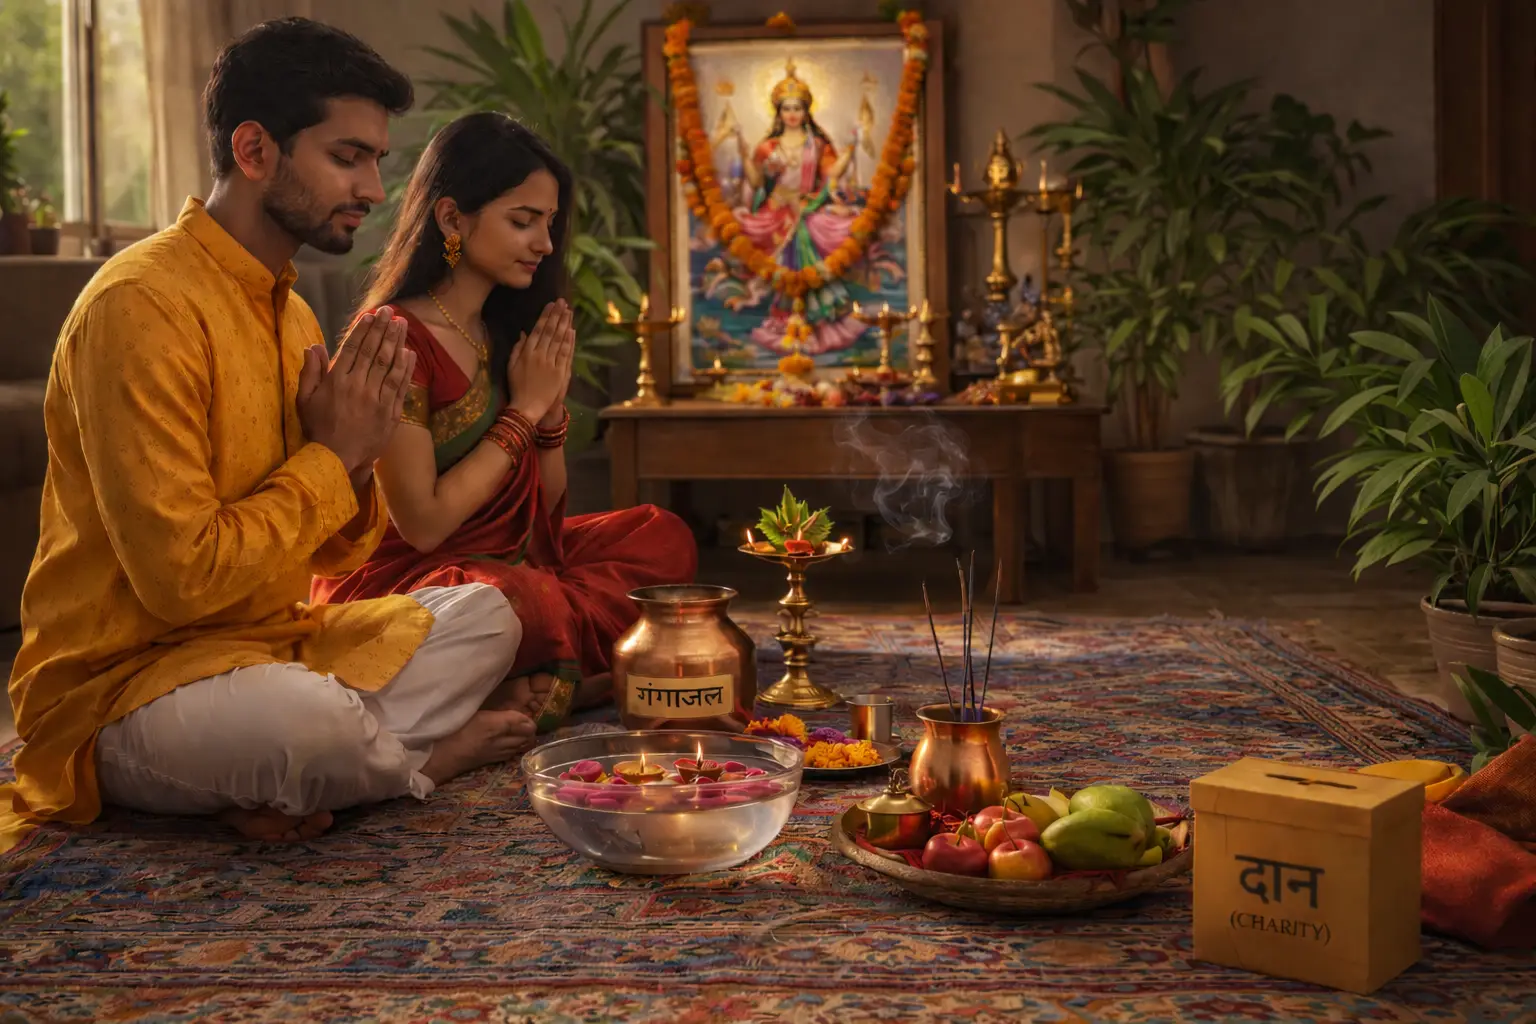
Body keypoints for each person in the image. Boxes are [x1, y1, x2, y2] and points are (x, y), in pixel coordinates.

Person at [2, 19, 536, 851]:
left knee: (487, 616)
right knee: (303, 724)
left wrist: (354, 464)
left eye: (376, 162)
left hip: (270, 649)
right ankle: (419, 764)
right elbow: (182, 583)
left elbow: (334, 559)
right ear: (255, 151)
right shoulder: (138, 307)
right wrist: (332, 457)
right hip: (126, 685)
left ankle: (291, 780)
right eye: (346, 156)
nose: (371, 186)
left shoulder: (289, 313)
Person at [309, 112, 697, 733]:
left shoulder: (504, 331)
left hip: (512, 564)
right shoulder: (393, 338)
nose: (544, 243)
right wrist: (520, 412)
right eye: (522, 221)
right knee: (511, 597)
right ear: (453, 220)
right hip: (419, 582)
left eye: (548, 223)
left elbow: (544, 518)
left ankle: (532, 677)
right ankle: (556, 673)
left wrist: (547, 415)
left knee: (660, 535)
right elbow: (426, 524)